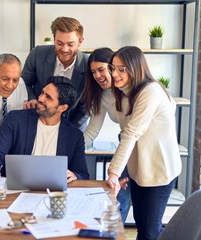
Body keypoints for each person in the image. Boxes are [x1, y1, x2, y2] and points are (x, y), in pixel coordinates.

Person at [106, 46, 181, 240]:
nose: (114, 73)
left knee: (150, 230)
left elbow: (131, 133)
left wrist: (113, 172)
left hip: (160, 171)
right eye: (113, 68)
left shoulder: (151, 91)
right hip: (139, 170)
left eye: (121, 69)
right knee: (142, 225)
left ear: (136, 68)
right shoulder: (123, 94)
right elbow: (127, 133)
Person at [0, 76, 90, 184]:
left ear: (62, 108)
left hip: (52, 193)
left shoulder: (74, 136)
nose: (40, 98)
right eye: (42, 93)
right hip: (16, 190)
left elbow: (82, 174)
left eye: (48, 97)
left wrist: (75, 175)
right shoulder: (15, 119)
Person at [82, 48, 131, 223]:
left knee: (141, 205)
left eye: (101, 70)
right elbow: (92, 131)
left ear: (112, 67)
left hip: (141, 145)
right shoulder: (101, 95)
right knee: (119, 200)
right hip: (126, 143)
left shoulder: (130, 89)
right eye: (93, 72)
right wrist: (72, 151)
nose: (97, 75)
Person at [22, 16, 89, 131]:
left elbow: (87, 107)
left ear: (80, 42)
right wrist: (32, 99)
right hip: (37, 120)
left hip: (73, 124)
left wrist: (71, 133)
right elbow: (23, 83)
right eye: (59, 43)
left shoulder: (88, 65)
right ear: (54, 38)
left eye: (70, 44)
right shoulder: (38, 54)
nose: (64, 49)